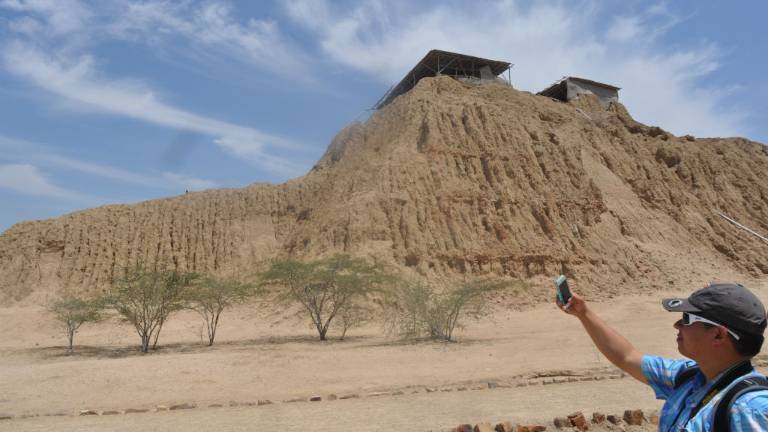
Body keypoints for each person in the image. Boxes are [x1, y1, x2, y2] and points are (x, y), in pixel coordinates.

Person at [558, 282, 768, 431]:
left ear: (718, 334)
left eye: (687, 318)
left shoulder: (749, 409)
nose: (677, 325)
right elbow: (627, 357)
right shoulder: (689, 376)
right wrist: (583, 313)